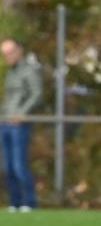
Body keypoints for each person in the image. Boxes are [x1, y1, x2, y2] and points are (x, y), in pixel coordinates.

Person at [0, 39, 42, 213]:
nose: (7, 57)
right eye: (4, 54)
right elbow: (9, 99)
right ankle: (15, 202)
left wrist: (22, 114)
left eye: (10, 52)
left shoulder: (29, 70)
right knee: (7, 165)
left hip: (19, 124)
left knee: (19, 164)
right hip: (5, 122)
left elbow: (36, 94)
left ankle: (29, 201)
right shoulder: (11, 73)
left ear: (19, 50)